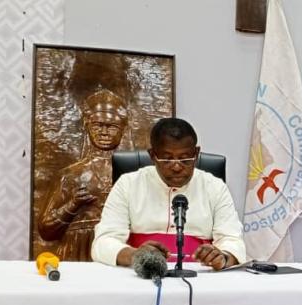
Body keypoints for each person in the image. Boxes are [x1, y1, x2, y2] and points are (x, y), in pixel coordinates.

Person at [92, 117, 246, 269]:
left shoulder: (215, 187)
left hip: (201, 277)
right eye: (167, 160)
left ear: (197, 153)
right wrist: (134, 255)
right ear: (153, 156)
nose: (177, 167)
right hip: (141, 277)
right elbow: (104, 241)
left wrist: (223, 257)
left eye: (185, 159)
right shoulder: (128, 184)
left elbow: (232, 240)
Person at [39, 88, 128, 261]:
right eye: (97, 125)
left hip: (119, 248)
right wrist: (72, 205)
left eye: (111, 127)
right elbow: (45, 229)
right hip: (78, 249)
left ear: (123, 129)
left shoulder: (133, 174)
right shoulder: (72, 174)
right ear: (87, 126)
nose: (103, 132)